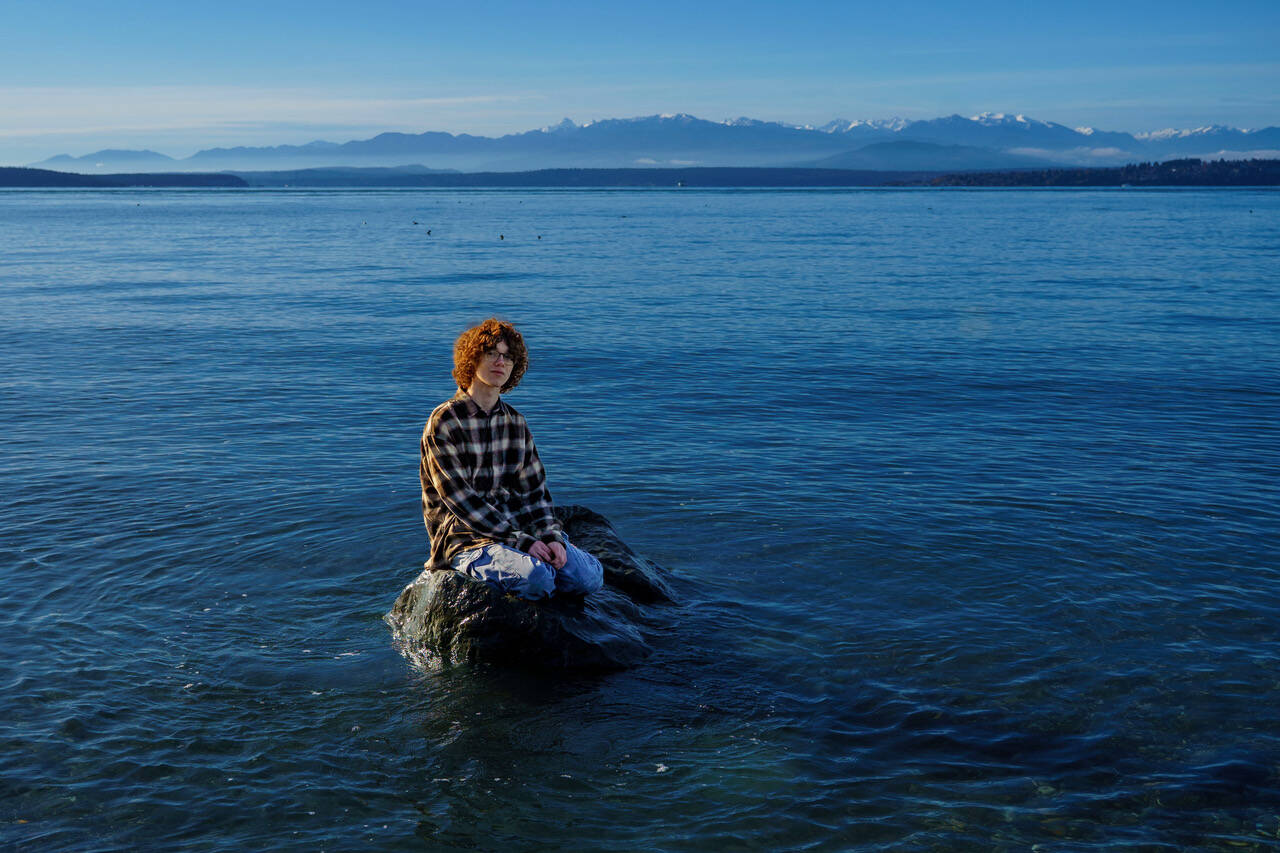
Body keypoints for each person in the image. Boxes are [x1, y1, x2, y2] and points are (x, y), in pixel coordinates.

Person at [420, 318, 605, 601]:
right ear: (472, 358)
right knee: (539, 579)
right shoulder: (445, 421)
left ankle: (539, 559)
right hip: (466, 538)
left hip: (519, 529)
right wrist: (520, 541)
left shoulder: (516, 422)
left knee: (589, 577)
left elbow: (535, 492)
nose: (500, 362)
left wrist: (550, 536)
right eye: (491, 353)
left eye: (508, 356)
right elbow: (460, 500)